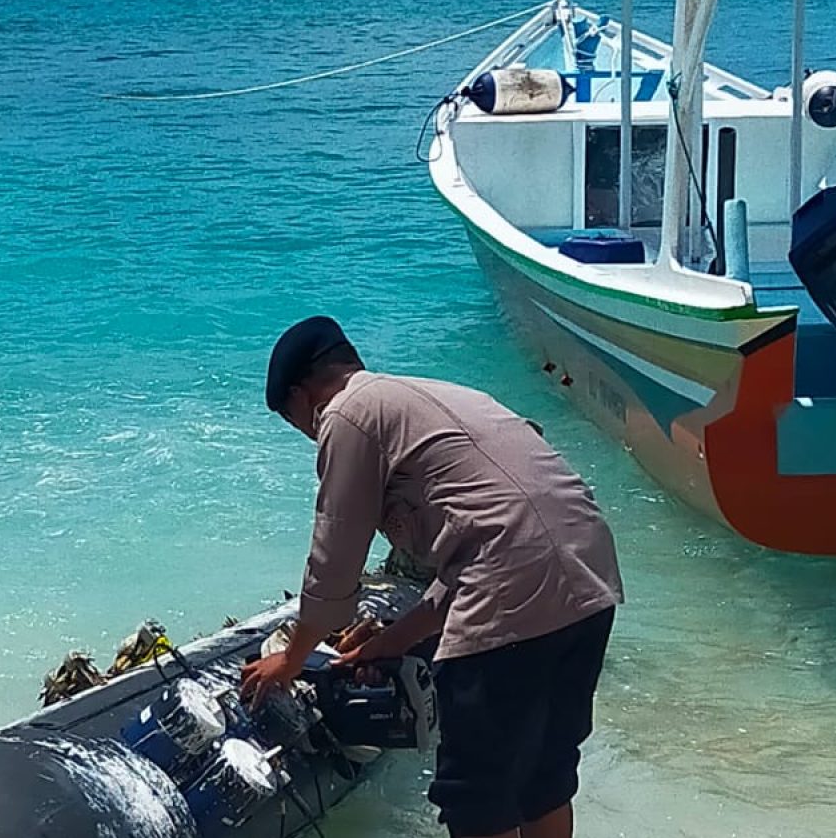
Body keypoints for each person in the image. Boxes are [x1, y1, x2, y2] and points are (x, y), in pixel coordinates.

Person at [241, 315, 623, 838]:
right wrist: (390, 641)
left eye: (295, 421)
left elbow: (335, 557)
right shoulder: (433, 397)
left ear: (303, 394)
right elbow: (486, 542)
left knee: (475, 797)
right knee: (545, 778)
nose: (308, 433)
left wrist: (292, 658)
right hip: (589, 578)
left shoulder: (346, 414)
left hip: (512, 586)